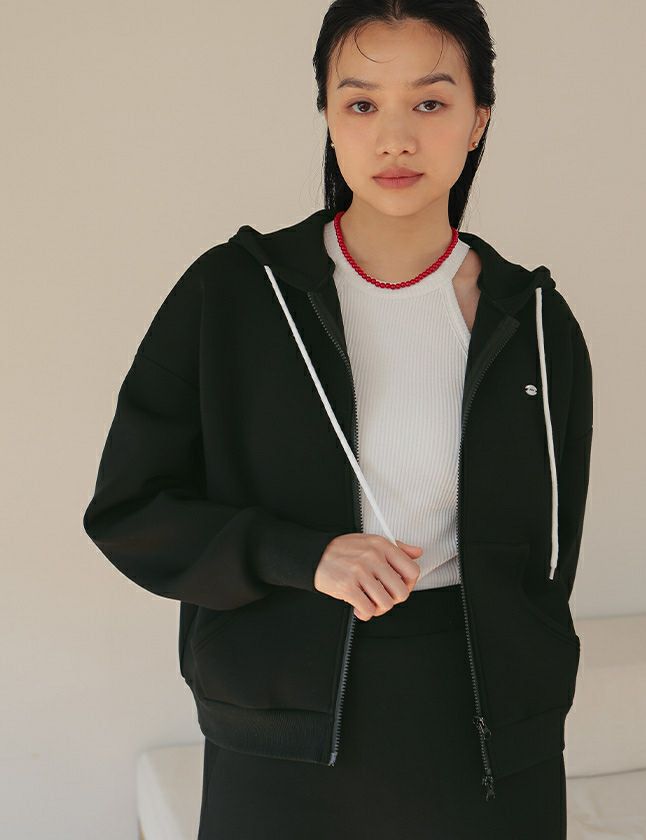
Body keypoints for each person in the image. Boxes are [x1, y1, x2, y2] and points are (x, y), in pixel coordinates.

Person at [83, 2, 593, 838]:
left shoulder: (534, 320)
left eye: (430, 102)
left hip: (495, 742)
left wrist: (531, 693)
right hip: (280, 742)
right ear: (327, 113)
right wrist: (304, 555)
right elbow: (131, 512)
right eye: (361, 103)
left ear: (478, 120)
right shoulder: (235, 294)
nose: (395, 138)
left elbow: (550, 550)